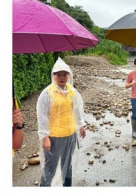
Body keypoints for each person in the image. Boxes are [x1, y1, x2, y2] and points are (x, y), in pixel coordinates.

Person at [36, 58, 87, 187]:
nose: (62, 77)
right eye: (58, 74)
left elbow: (77, 109)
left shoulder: (72, 91)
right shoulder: (47, 94)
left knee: (67, 165)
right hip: (54, 137)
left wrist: (81, 125)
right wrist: (45, 137)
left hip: (70, 135)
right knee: (50, 168)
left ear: (69, 75)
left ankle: (67, 187)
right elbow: (41, 116)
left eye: (64, 74)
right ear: (54, 76)